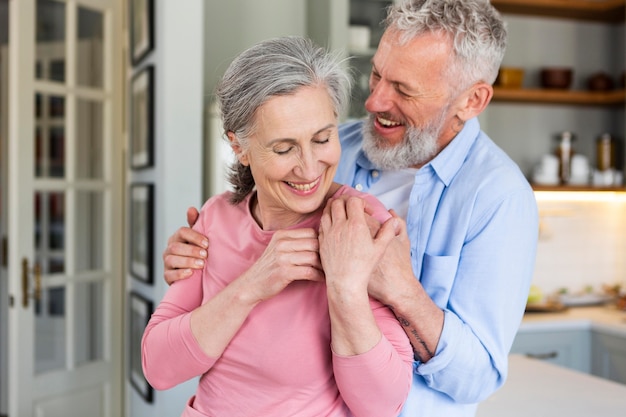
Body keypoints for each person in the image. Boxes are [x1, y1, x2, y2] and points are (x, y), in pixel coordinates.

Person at [163, 1, 539, 416]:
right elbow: (249, 227)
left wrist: (400, 291)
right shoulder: (328, 146)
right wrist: (202, 257)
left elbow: (478, 377)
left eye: (403, 89)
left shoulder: (499, 198)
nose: (374, 101)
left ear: (471, 101)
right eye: (377, 74)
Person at [142, 36, 414, 417]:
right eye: (284, 149)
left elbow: (383, 404)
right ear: (240, 148)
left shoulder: (360, 223)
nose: (308, 168)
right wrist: (253, 285)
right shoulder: (216, 217)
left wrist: (345, 288)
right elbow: (158, 367)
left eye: (322, 138)